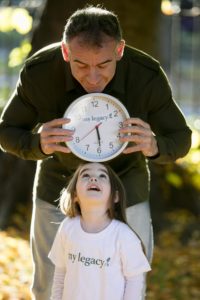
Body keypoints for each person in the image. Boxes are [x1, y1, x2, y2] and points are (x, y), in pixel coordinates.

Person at [0, 5, 191, 300]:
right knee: (50, 285)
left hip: (126, 185)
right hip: (59, 185)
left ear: (119, 50)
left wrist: (155, 146)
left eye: (102, 65)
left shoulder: (146, 75)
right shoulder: (40, 71)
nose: (92, 77)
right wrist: (37, 142)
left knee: (128, 282)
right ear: (65, 52)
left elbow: (180, 138)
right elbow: (7, 131)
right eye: (80, 65)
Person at [48, 162, 151, 300]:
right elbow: (60, 275)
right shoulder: (68, 227)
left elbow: (134, 281)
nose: (93, 178)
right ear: (74, 195)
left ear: (115, 197)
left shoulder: (124, 236)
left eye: (102, 175)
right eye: (85, 175)